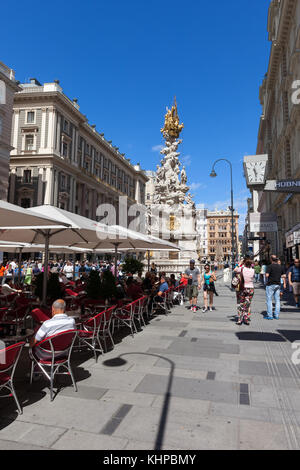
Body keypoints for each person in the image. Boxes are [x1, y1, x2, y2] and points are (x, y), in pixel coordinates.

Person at [234, 259, 255, 325]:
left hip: (242, 288)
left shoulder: (241, 269)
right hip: (250, 288)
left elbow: (235, 270)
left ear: (244, 264)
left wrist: (239, 263)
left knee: (240, 303)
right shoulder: (252, 270)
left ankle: (240, 320)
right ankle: (246, 319)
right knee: (247, 304)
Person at [265, 255, 286, 320]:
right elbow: (284, 276)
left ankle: (270, 315)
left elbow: (267, 275)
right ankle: (276, 315)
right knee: (277, 300)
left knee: (269, 300)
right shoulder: (280, 267)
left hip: (270, 284)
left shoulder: (269, 266)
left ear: (271, 259)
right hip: (278, 284)